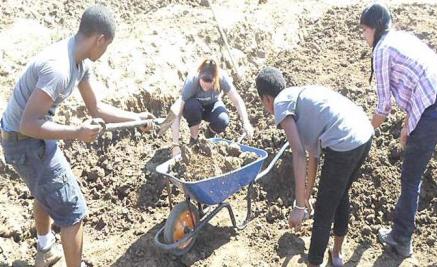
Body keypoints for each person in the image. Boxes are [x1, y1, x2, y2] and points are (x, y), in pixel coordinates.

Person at [0, 5, 154, 267]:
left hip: (31, 137)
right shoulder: (58, 68)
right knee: (73, 212)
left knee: (46, 192)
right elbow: (28, 124)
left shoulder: (79, 61)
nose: (104, 53)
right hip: (23, 141)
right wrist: (77, 133)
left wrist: (136, 118)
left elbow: (96, 108)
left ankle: (46, 250)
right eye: (106, 47)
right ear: (100, 39)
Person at [360, 2, 437, 259]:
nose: (363, 36)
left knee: (411, 177)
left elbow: (383, 107)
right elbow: (417, 86)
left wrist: (363, 131)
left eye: (364, 30)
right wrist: (406, 127)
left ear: (375, 28)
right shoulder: (402, 38)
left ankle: (401, 239)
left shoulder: (382, 49)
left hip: (434, 109)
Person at [255, 67, 373, 267]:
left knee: (324, 211)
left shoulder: (281, 104)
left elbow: (298, 154)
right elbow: (313, 157)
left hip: (344, 142)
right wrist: (306, 196)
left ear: (266, 99)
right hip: (364, 135)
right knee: (340, 194)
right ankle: (336, 254)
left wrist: (299, 206)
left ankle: (314, 263)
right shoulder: (301, 97)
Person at [170, 58, 253, 156]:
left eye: (209, 85)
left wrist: (246, 122)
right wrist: (175, 145)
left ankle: (209, 136)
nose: (205, 88)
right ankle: (194, 139)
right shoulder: (192, 80)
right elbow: (176, 112)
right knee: (193, 106)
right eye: (203, 84)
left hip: (212, 105)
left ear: (215, 79)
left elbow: (237, 101)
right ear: (199, 76)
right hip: (194, 107)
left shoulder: (221, 77)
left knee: (223, 120)